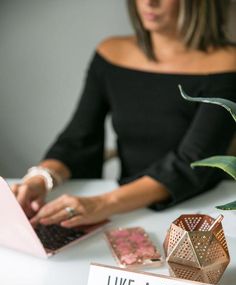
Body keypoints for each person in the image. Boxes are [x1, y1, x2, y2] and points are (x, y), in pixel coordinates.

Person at [12, 0, 236, 228]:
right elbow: (79, 138)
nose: (150, 3)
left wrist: (102, 203)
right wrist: (40, 179)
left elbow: (193, 162)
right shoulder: (110, 53)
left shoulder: (228, 63)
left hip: (201, 209)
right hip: (128, 206)